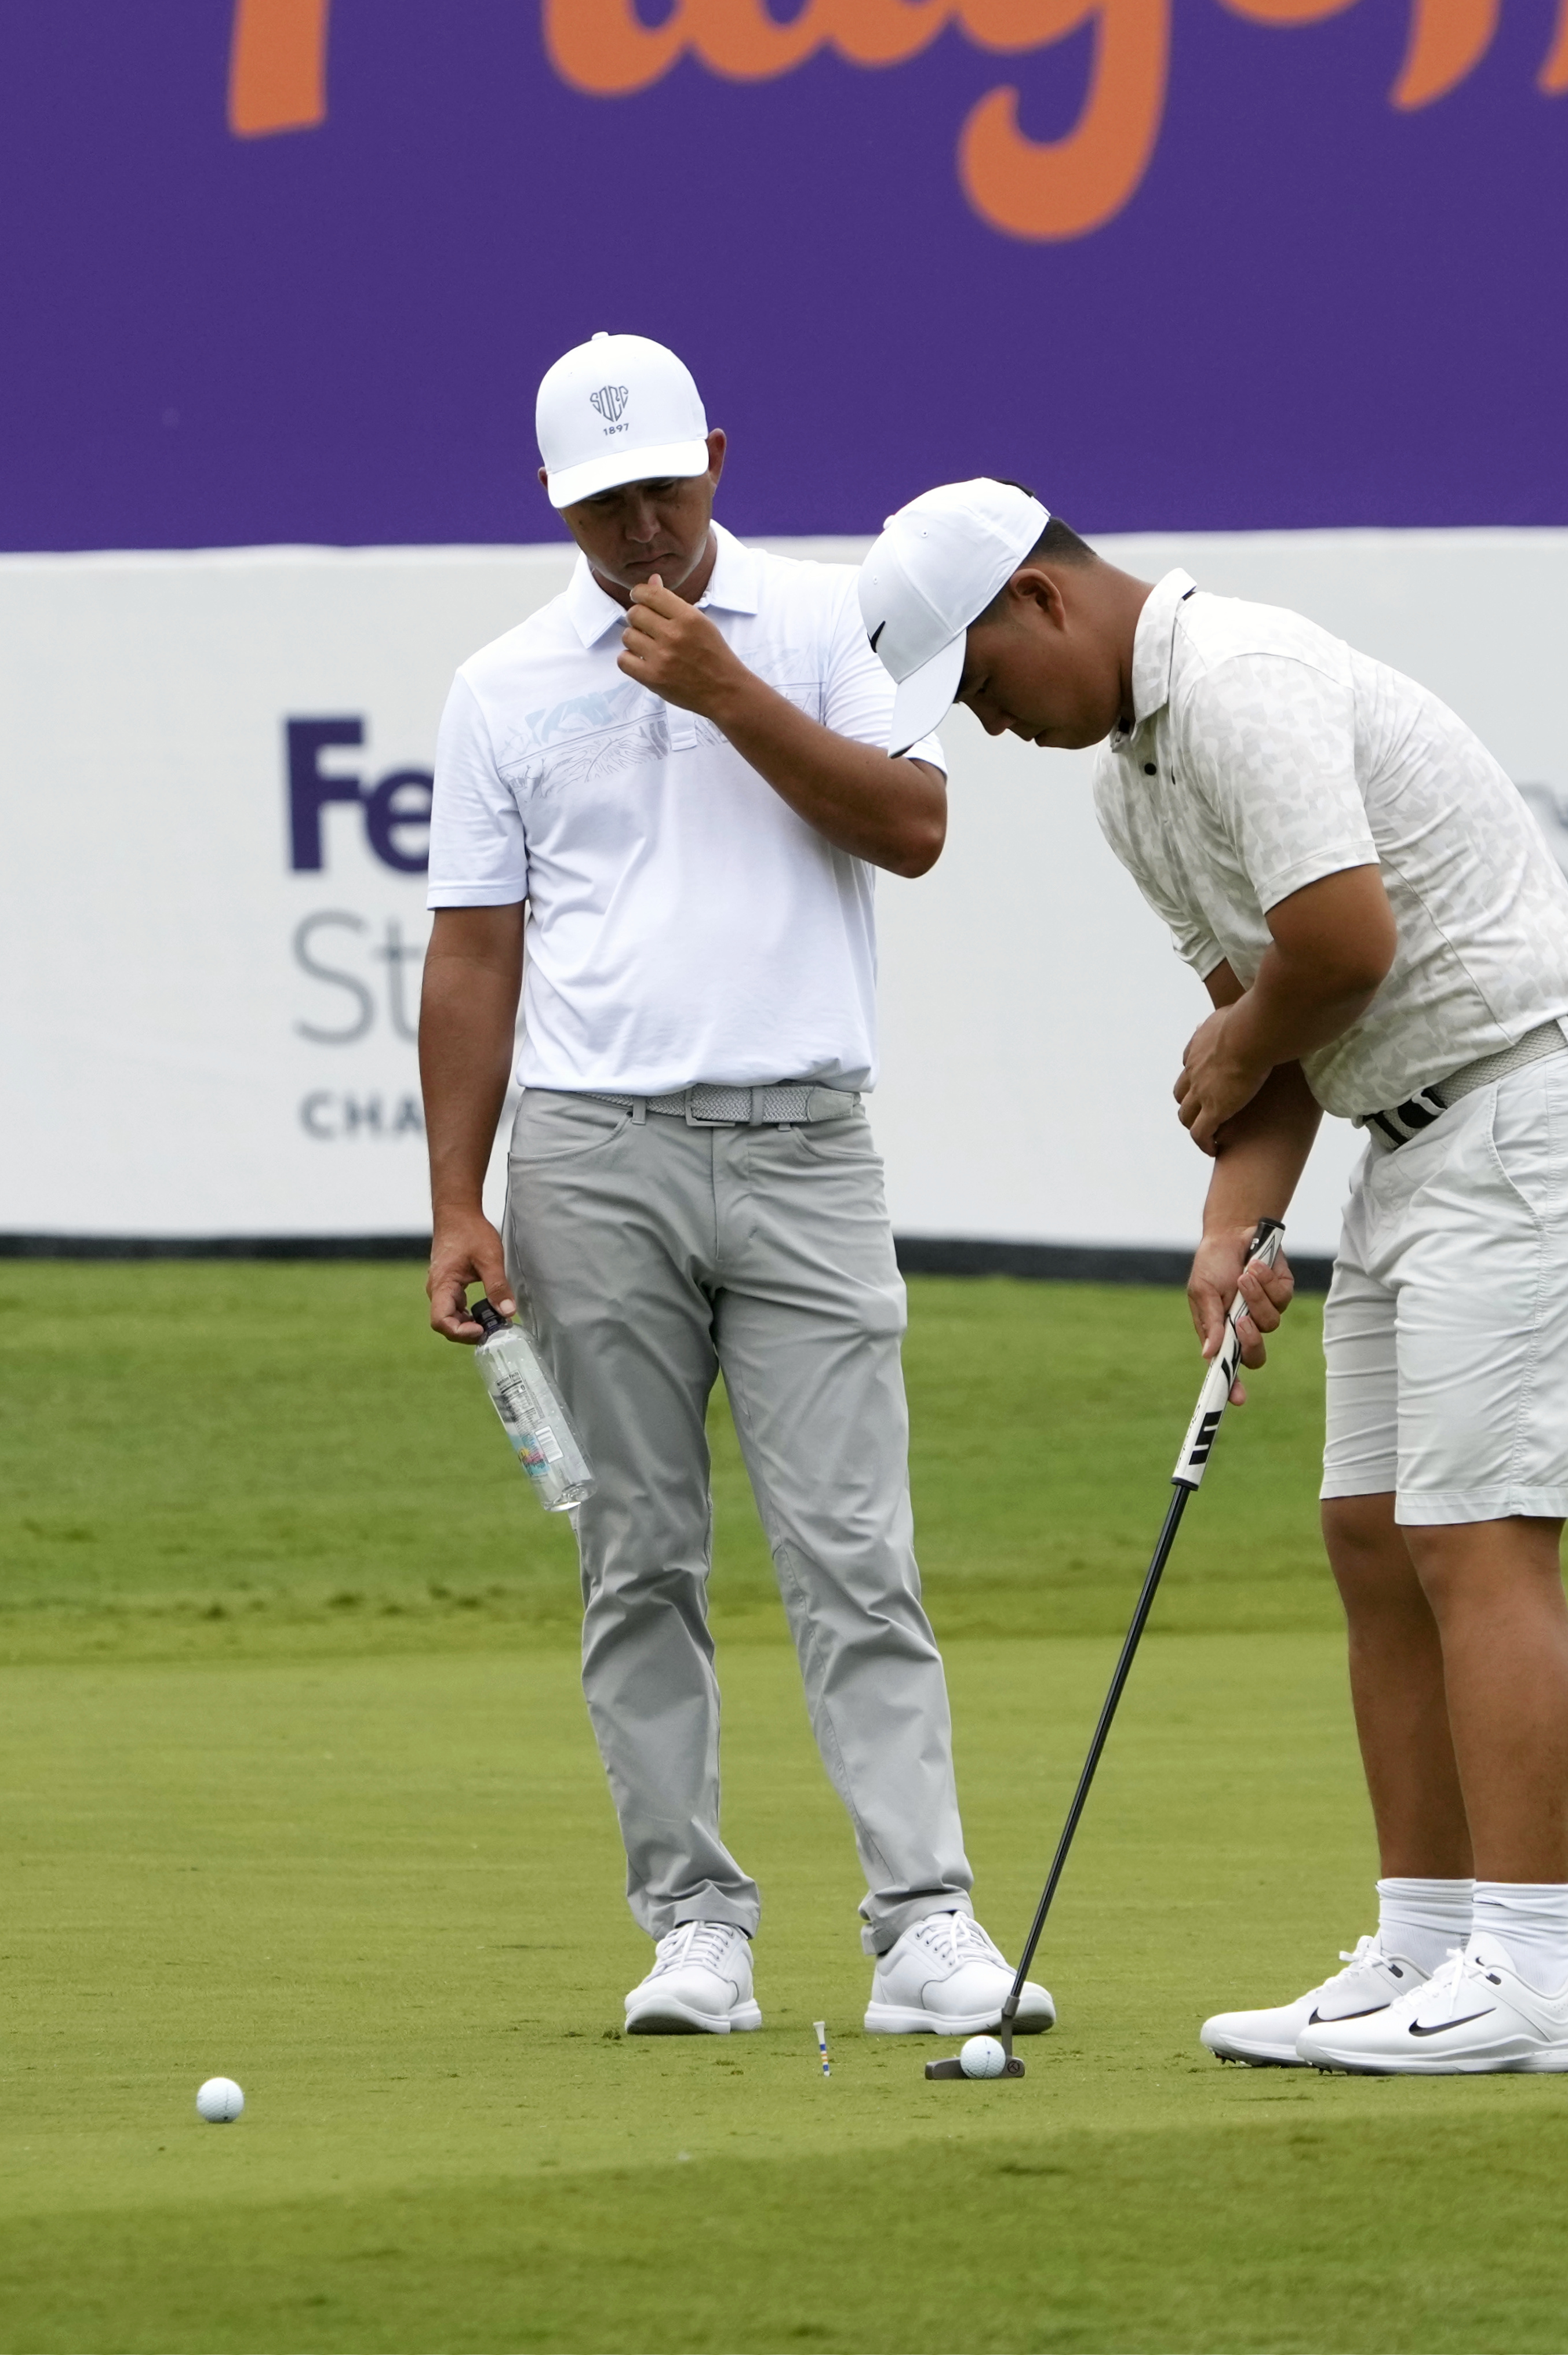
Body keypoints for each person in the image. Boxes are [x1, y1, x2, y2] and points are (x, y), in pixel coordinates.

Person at [856, 479, 1568, 2072]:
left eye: (978, 683)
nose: (990, 724)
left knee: (1476, 1543)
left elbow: (1345, 945)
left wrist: (1235, 1043)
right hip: (1421, 1142)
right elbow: (1285, 1033)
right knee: (1375, 1541)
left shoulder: (1241, 681)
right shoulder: (1133, 786)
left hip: (1541, 1108)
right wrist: (1231, 1225)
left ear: (1040, 602)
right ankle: (1428, 1945)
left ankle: (1531, 1975)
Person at [416, 336, 1049, 2042]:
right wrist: (457, 1202)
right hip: (589, 1157)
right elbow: (474, 956)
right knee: (639, 1558)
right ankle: (693, 1919)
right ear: (551, 501)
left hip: (802, 1138)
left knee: (856, 1551)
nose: (640, 533)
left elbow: (910, 827)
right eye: (602, 506)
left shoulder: (831, 623)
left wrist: (723, 690)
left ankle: (924, 1923)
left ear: (716, 454)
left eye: (663, 491)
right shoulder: (504, 686)